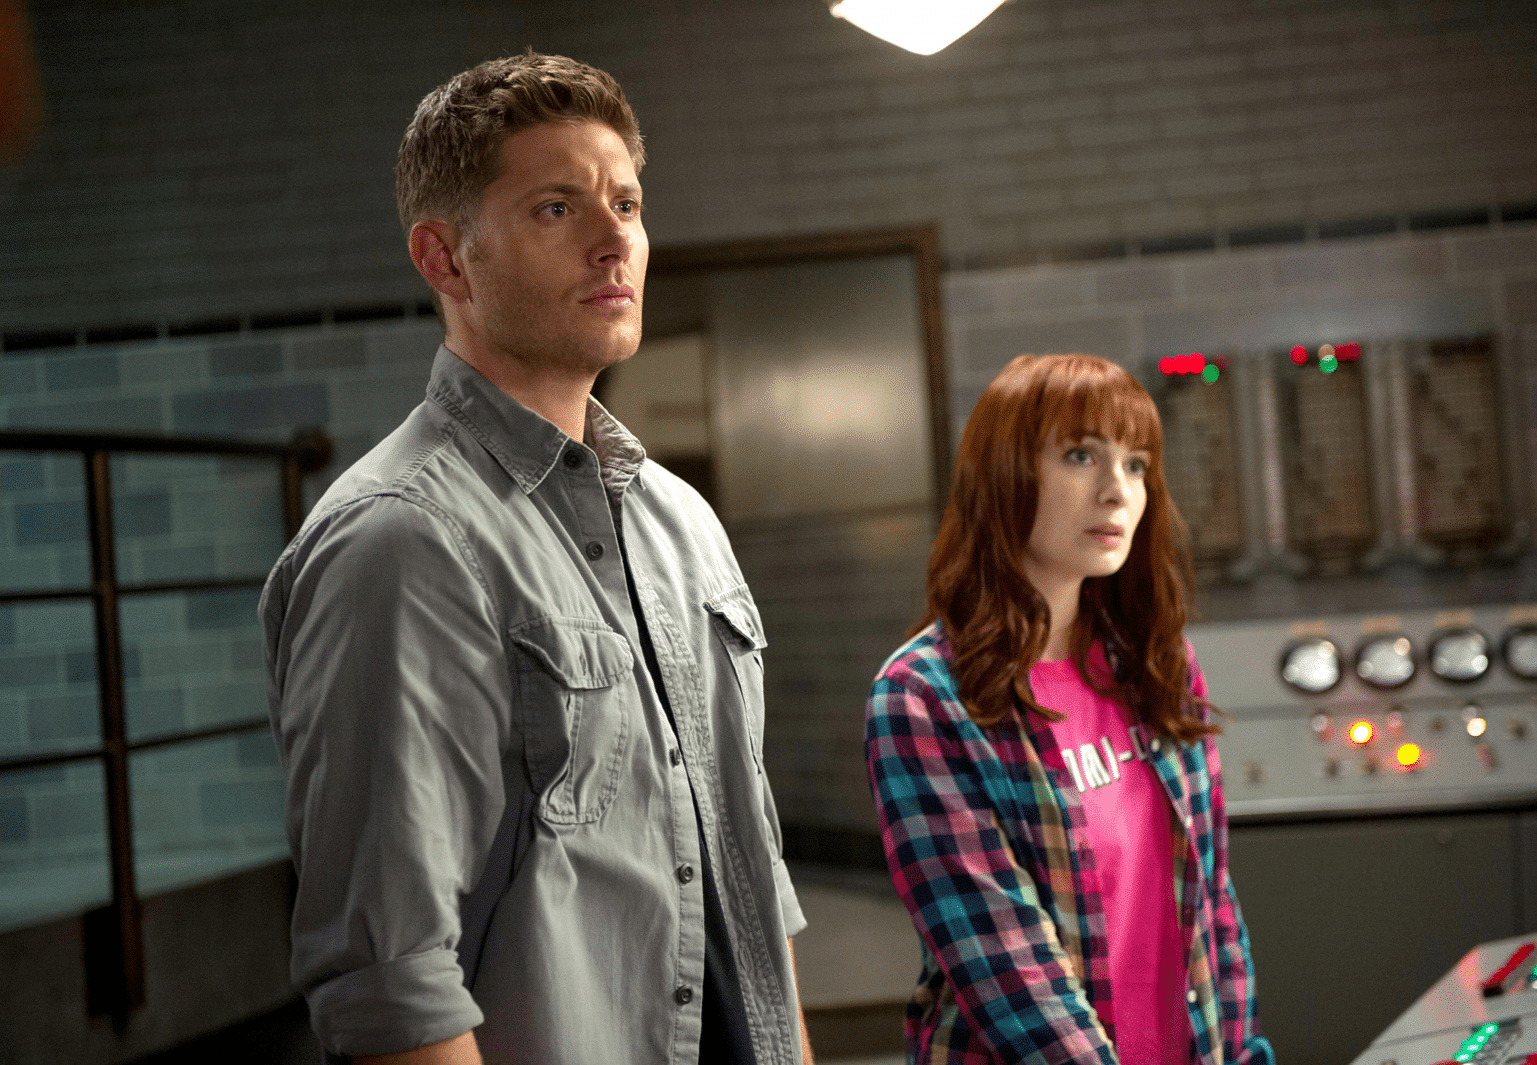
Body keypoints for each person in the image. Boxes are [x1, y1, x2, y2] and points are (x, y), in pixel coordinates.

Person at [260, 52, 812, 1065]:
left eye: (627, 204)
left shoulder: (683, 523)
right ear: (444, 259)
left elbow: (751, 884)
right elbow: (391, 981)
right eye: (557, 209)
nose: (615, 240)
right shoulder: (397, 542)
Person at [864, 354, 1273, 1065]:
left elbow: (1213, 911)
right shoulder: (923, 697)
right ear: (1004, 475)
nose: (1118, 491)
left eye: (1137, 464)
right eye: (1081, 455)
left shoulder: (1156, 664)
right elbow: (1005, 968)